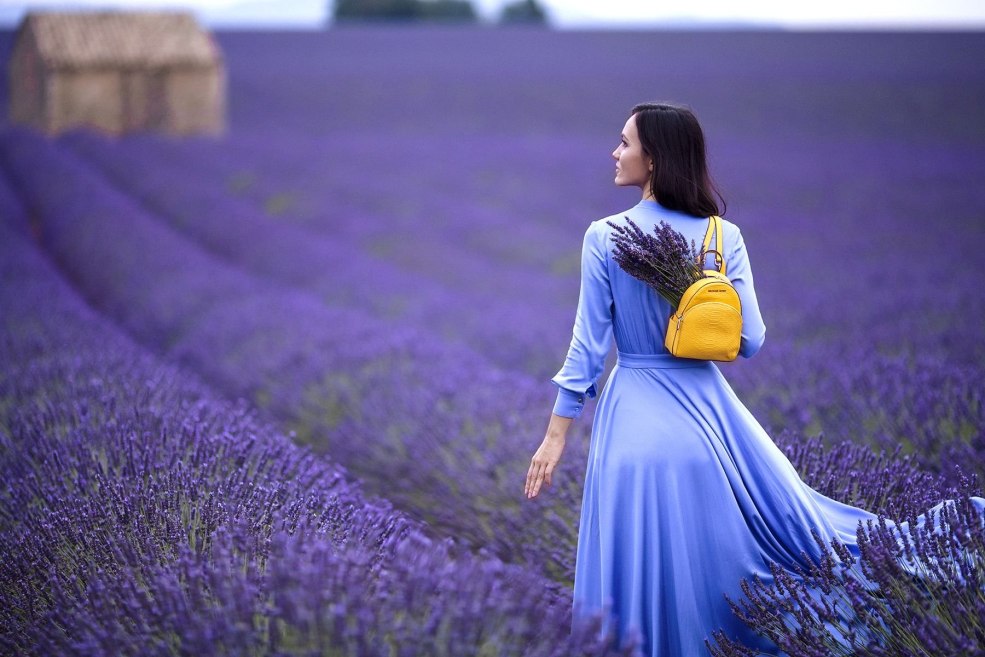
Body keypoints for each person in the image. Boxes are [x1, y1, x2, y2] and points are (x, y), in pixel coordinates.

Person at [522, 102, 910, 656]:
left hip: (633, 424)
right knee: (753, 563)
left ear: (653, 160)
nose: (615, 152)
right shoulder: (723, 237)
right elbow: (750, 340)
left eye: (625, 143)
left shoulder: (604, 236)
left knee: (634, 573)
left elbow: (587, 349)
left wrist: (554, 437)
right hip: (712, 427)